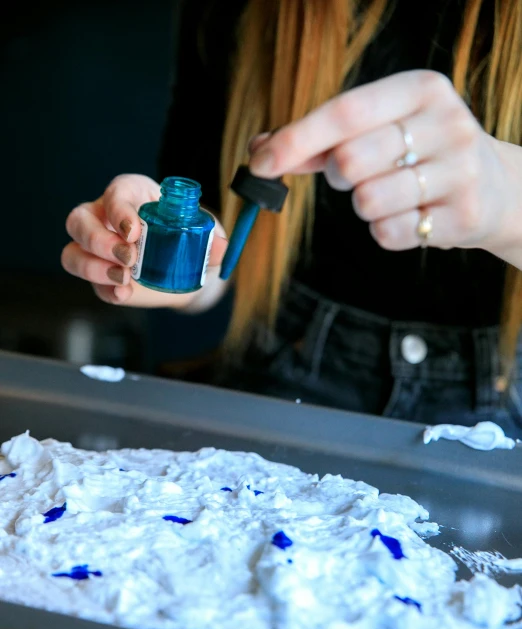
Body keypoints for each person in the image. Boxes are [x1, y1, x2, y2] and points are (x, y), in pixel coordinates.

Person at [62, 0, 522, 435]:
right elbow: (219, 245)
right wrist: (158, 260)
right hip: (285, 371)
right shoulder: (253, 13)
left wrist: (506, 201)